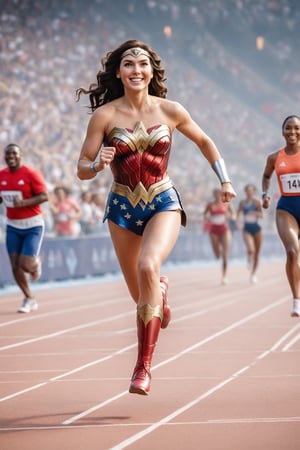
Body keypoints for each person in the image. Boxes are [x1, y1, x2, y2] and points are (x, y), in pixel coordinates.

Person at [76, 39, 236, 395]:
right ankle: (159, 296)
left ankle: (142, 368)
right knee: (143, 299)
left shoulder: (171, 110)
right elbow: (81, 170)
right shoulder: (104, 116)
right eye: (129, 64)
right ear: (118, 72)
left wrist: (224, 180)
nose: (136, 70)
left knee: (149, 266)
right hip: (121, 209)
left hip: (162, 202)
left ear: (152, 71)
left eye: (143, 64)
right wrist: (96, 164)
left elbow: (206, 142)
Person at [0, 143, 48, 313]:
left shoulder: (31, 173)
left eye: (14, 154)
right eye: (8, 154)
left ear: (21, 156)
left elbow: (44, 196)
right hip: (12, 225)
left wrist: (24, 203)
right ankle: (29, 298)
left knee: (25, 265)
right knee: (15, 265)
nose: (11, 157)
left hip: (33, 225)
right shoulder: (2, 175)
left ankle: (35, 264)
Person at [262, 114, 300, 317]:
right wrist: (264, 194)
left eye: (296, 128)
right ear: (283, 131)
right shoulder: (275, 158)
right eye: (288, 128)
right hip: (287, 208)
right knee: (293, 251)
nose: (292, 132)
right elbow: (266, 176)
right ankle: (296, 300)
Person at [203, 188, 236, 285]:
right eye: (215, 194)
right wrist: (207, 217)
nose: (217, 196)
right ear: (214, 195)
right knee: (217, 254)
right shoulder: (210, 205)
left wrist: (232, 217)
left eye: (219, 194)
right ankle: (219, 252)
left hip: (224, 229)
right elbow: (205, 215)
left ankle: (224, 276)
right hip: (214, 230)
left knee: (225, 255)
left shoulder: (227, 204)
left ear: (221, 195)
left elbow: (233, 214)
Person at [236, 184, 263, 284]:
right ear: (245, 192)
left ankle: (253, 274)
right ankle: (248, 258)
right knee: (251, 249)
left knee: (257, 253)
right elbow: (237, 213)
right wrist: (238, 222)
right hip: (246, 228)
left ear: (254, 192)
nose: (249, 192)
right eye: (247, 191)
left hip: (257, 228)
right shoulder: (242, 203)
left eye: (251, 191)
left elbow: (261, 215)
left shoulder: (257, 202)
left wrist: (254, 213)